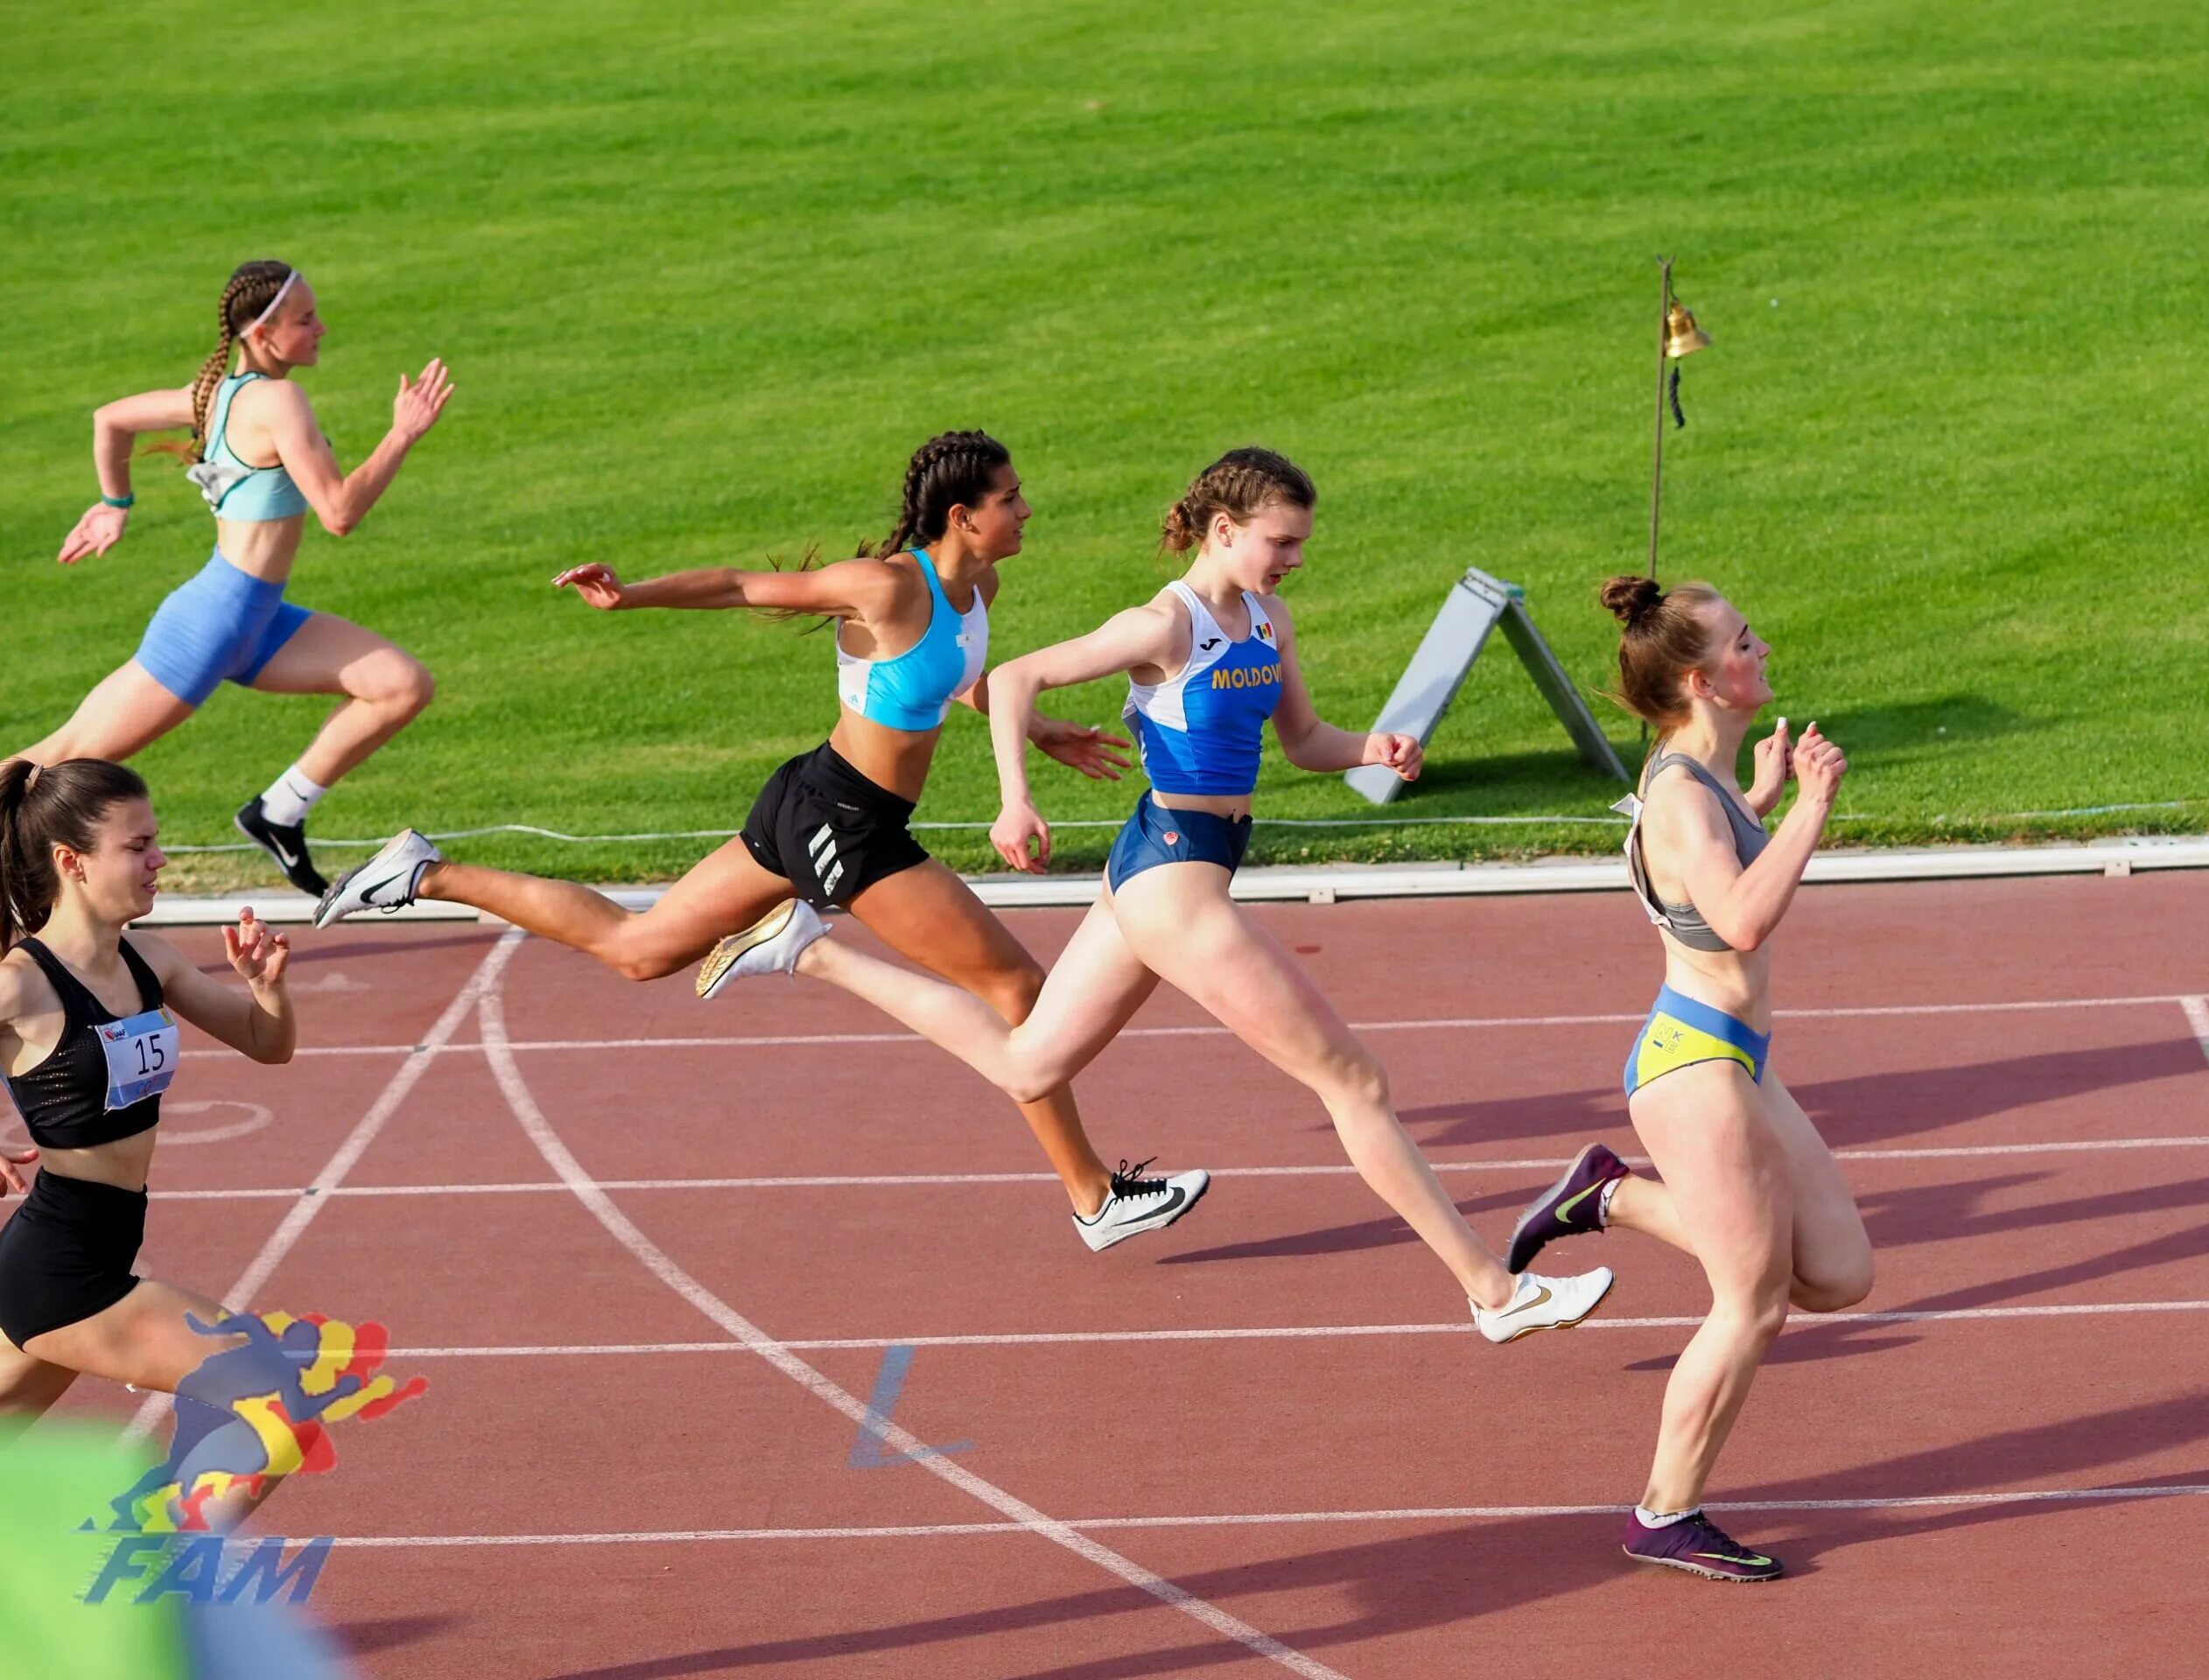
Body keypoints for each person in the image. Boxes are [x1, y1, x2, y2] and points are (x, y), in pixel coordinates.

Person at [698, 447, 1615, 1341]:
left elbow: (1301, 741)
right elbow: (1017, 678)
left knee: (1030, 1067)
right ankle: (1495, 1292)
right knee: (1356, 1081)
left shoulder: (1268, 622)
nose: (1294, 560)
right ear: (1223, 530)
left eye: (1299, 544)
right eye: (1280, 543)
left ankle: (808, 949)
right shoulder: (1163, 625)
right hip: (1176, 882)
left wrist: (1370, 746)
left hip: (1154, 866)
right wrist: (1014, 802)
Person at [315, 431, 1203, 1250]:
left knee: (635, 950)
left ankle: (424, 873)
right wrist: (628, 596)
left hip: (817, 803)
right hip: (843, 824)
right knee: (1018, 989)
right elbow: (742, 585)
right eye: (1012, 497)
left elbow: (938, 682)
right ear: (964, 516)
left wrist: (1039, 728)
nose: (1027, 510)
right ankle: (1092, 1198)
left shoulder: (980, 589)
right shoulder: (887, 585)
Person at [1502, 576, 1875, 1581]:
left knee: (1838, 1272)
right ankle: (1665, 1513)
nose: (1762, 650)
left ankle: (1606, 1195)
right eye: (1744, 644)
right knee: (1750, 1301)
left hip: (1736, 1060)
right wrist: (1810, 806)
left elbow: (1704, 875)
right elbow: (1742, 919)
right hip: (1694, 1064)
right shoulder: (1675, 795)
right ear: (1705, 681)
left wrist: (1756, 800)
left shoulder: (1697, 779)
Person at [19, 261, 453, 895]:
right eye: (306, 320)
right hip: (211, 624)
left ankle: (277, 815)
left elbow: (110, 418)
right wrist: (401, 434)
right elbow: (339, 513)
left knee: (400, 685)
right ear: (263, 331)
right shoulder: (279, 401)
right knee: (63, 756)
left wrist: (117, 504)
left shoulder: (212, 394)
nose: (321, 329)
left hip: (261, 620)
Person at [0, 758, 303, 1528]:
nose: (159, 859)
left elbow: (266, 1045)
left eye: (155, 841)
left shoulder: (151, 962)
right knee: (275, 1400)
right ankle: (157, 1606)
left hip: (91, 1249)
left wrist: (266, 987)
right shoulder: (21, 984)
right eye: (138, 846)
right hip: (64, 1270)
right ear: (72, 862)